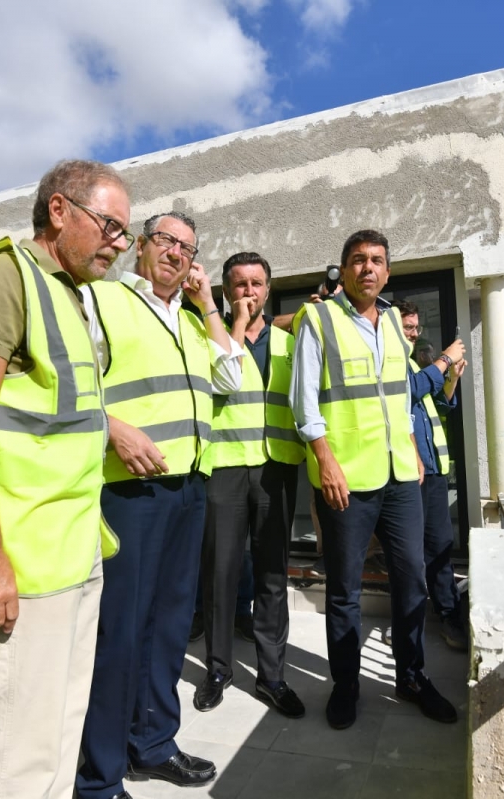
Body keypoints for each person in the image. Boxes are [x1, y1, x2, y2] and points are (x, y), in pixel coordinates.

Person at [0, 159, 130, 799]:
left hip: (73, 549)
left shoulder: (73, 294)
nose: (119, 244)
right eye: (109, 226)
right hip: (22, 560)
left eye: (125, 233)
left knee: (56, 732)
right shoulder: (3, 276)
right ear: (58, 210)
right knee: (12, 752)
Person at [78, 211, 244, 799]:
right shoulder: (103, 298)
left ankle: (152, 744)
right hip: (131, 488)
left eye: (189, 248)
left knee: (171, 626)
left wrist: (210, 307)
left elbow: (233, 377)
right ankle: (97, 776)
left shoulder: (197, 322)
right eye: (166, 241)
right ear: (141, 247)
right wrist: (110, 428)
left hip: (188, 487)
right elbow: (72, 385)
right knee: (121, 632)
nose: (177, 254)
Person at [289, 229, 459, 731]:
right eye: (358, 260)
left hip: (400, 476)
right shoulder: (317, 319)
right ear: (343, 270)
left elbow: (397, 393)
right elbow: (305, 402)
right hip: (347, 478)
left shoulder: (389, 323)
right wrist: (325, 461)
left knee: (412, 579)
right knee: (344, 591)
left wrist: (409, 444)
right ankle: (346, 686)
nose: (368, 268)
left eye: (377, 260)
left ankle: (411, 676)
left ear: (387, 271)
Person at [194, 251, 306, 718]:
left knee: (273, 577)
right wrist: (235, 328)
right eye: (239, 285)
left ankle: (272, 676)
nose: (249, 292)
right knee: (220, 575)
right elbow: (221, 383)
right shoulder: (208, 339)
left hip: (276, 469)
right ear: (226, 291)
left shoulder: (289, 343)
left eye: (257, 284)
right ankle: (219, 669)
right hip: (224, 467)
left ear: (269, 289)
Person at [391, 299, 469, 650]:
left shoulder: (415, 364)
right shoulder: (392, 363)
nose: (413, 334)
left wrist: (450, 379)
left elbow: (438, 405)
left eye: (415, 328)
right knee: (409, 553)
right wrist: (446, 359)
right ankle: (408, 619)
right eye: (407, 328)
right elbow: (411, 390)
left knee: (439, 546)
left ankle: (449, 615)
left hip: (433, 472)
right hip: (406, 473)